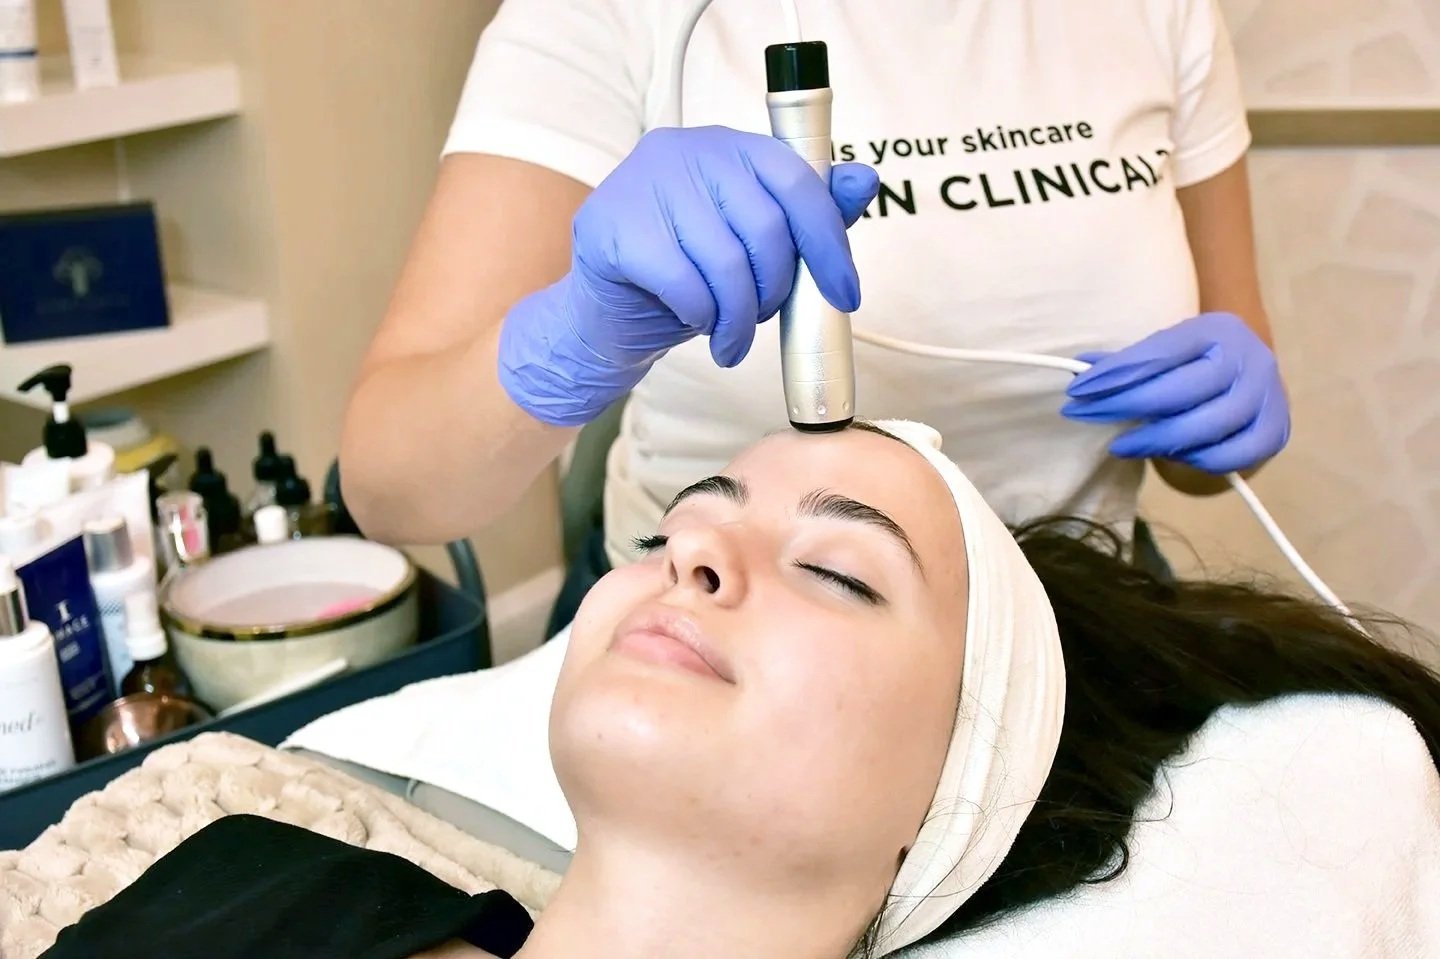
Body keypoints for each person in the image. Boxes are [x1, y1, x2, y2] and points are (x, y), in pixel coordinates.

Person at [46, 424, 1439, 959]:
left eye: (839, 571)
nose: (693, 548)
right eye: (676, 525)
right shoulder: (269, 867)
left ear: (949, 800)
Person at [340, 0, 1290, 629]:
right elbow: (392, 488)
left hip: (1081, 629)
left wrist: (1228, 422)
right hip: (719, 636)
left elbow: (1210, 461)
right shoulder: (617, 16)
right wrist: (579, 334)